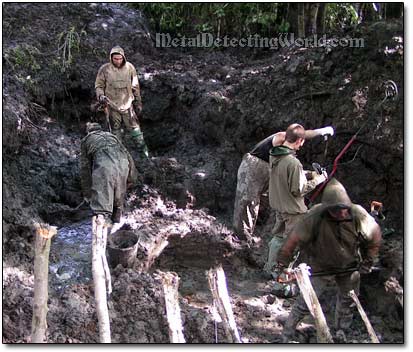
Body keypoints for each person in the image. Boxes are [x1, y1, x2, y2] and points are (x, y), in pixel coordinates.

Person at [276, 178, 382, 342]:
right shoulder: (315, 216)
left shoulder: (357, 214)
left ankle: (341, 331)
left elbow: (375, 237)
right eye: (336, 210)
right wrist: (283, 263)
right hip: (320, 266)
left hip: (349, 266)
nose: (341, 213)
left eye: (344, 209)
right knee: (305, 302)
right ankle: (287, 334)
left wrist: (368, 261)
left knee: (348, 300)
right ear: (327, 209)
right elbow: (293, 240)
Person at [233, 125, 334, 243]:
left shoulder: (291, 141)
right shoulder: (281, 139)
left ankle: (252, 232)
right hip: (254, 166)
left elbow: (289, 172)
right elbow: (295, 182)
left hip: (269, 168)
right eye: (301, 143)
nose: (301, 147)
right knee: (248, 201)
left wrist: (321, 131)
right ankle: (240, 241)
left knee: (264, 200)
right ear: (298, 140)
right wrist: (317, 179)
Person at [262, 123, 332, 274]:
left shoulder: (274, 154)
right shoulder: (293, 163)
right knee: (290, 246)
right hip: (293, 211)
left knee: (278, 239)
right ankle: (281, 280)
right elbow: (298, 189)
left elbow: (285, 174)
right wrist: (318, 179)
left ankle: (269, 270)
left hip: (279, 206)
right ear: (299, 141)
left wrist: (307, 174)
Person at [95, 46, 149, 159]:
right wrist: (101, 96)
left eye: (120, 58)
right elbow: (99, 86)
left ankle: (145, 156)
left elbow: (135, 86)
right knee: (115, 133)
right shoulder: (104, 69)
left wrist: (138, 102)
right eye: (115, 59)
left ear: (123, 57)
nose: (118, 61)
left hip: (128, 105)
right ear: (111, 58)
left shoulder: (130, 68)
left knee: (136, 131)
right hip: (112, 106)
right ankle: (118, 159)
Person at [80, 122, 138, 224]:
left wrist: (88, 193)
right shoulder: (112, 136)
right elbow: (127, 155)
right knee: (118, 201)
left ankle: (100, 233)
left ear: (88, 132)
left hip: (104, 165)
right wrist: (132, 177)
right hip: (123, 164)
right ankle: (115, 227)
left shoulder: (87, 140)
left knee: (101, 207)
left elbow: (85, 169)